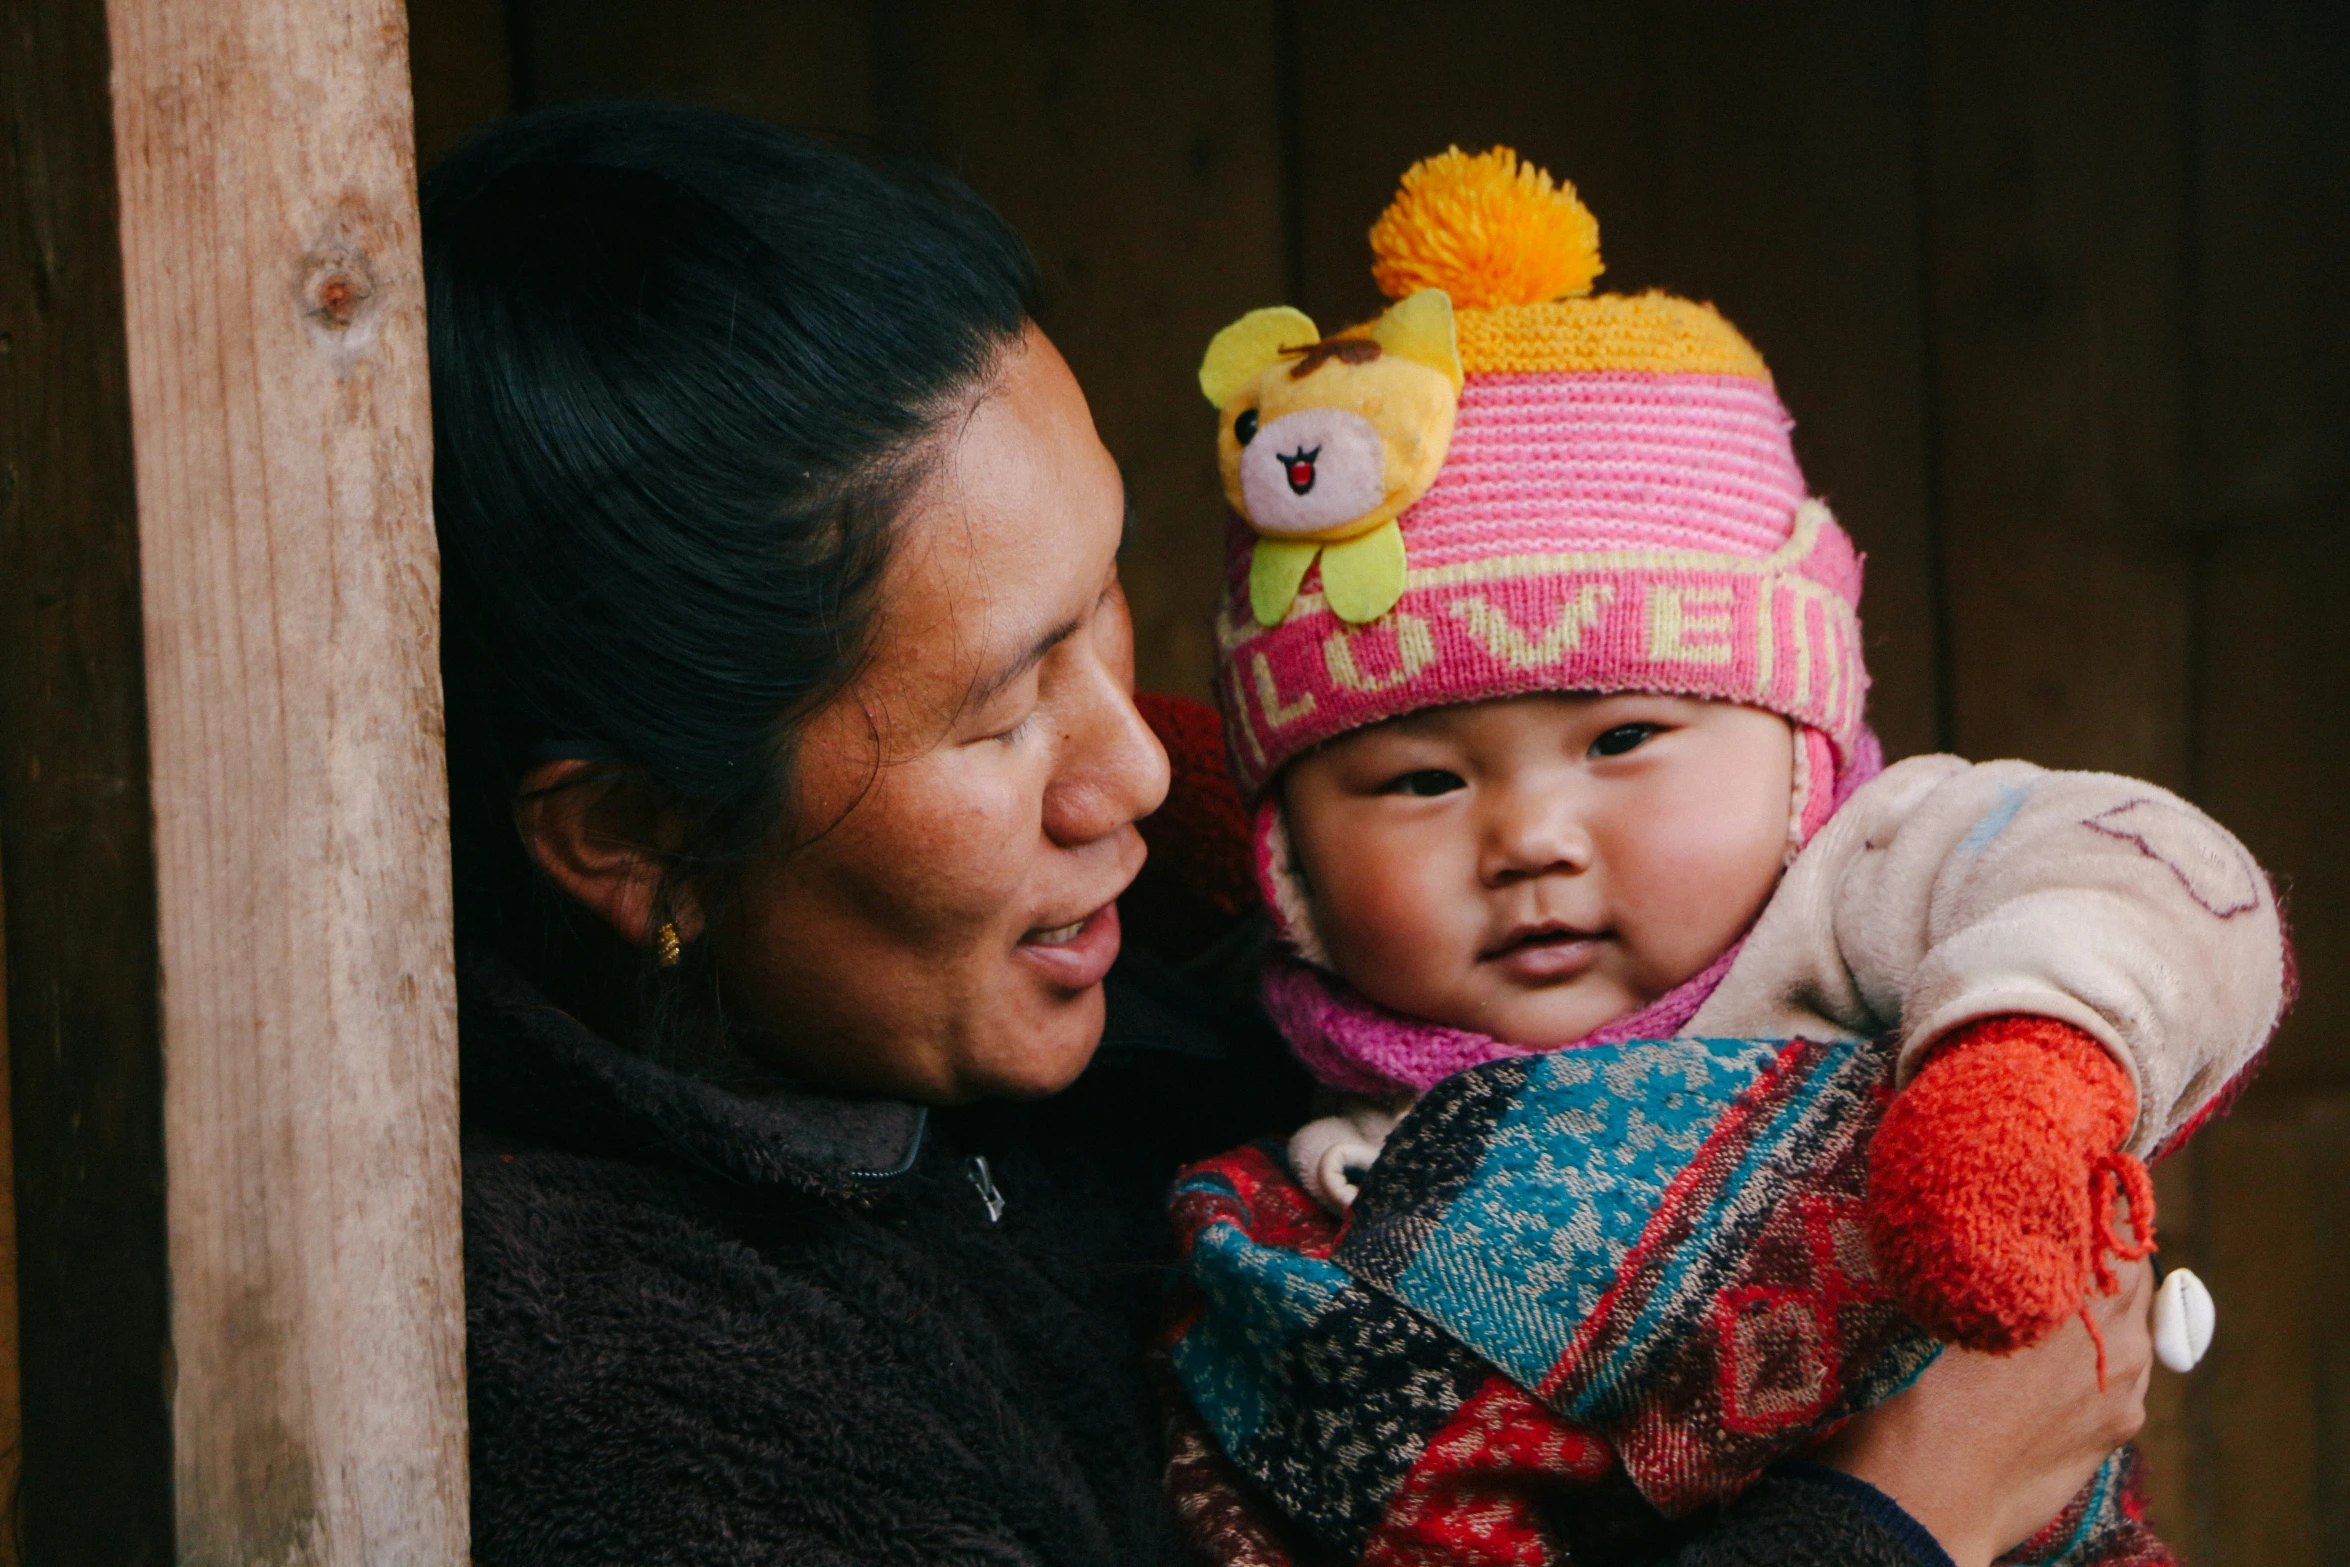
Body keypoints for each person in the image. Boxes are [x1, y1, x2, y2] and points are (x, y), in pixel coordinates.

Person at [426, 105, 2174, 1565]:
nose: (1129, 776)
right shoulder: (636, 1396)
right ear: (636, 835)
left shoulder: (1145, 1019)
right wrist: (1902, 1518)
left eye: (1100, 607)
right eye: (996, 709)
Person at [1165, 149, 2286, 1567]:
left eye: (1625, 736)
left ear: (1799, 752)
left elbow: (2151, 874)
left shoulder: (1860, 881)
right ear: (1289, 869)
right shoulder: (1297, 1146)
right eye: (1419, 779)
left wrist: (2024, 1069)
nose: (1530, 838)